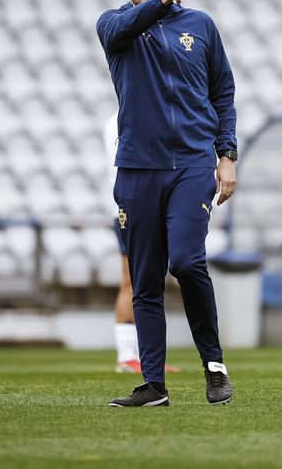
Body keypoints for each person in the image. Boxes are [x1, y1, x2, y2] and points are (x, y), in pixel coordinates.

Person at [97, 0, 238, 407]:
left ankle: (214, 365)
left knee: (187, 261)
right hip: (137, 169)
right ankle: (153, 384)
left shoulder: (201, 25)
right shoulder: (114, 25)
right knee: (145, 279)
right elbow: (123, 26)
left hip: (192, 165)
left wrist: (227, 154)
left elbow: (222, 91)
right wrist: (161, 2)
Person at [104, 113, 182, 376]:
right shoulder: (122, 119)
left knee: (145, 280)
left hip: (139, 204)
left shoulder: (128, 116)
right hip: (131, 207)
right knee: (132, 280)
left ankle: (143, 356)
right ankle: (127, 355)